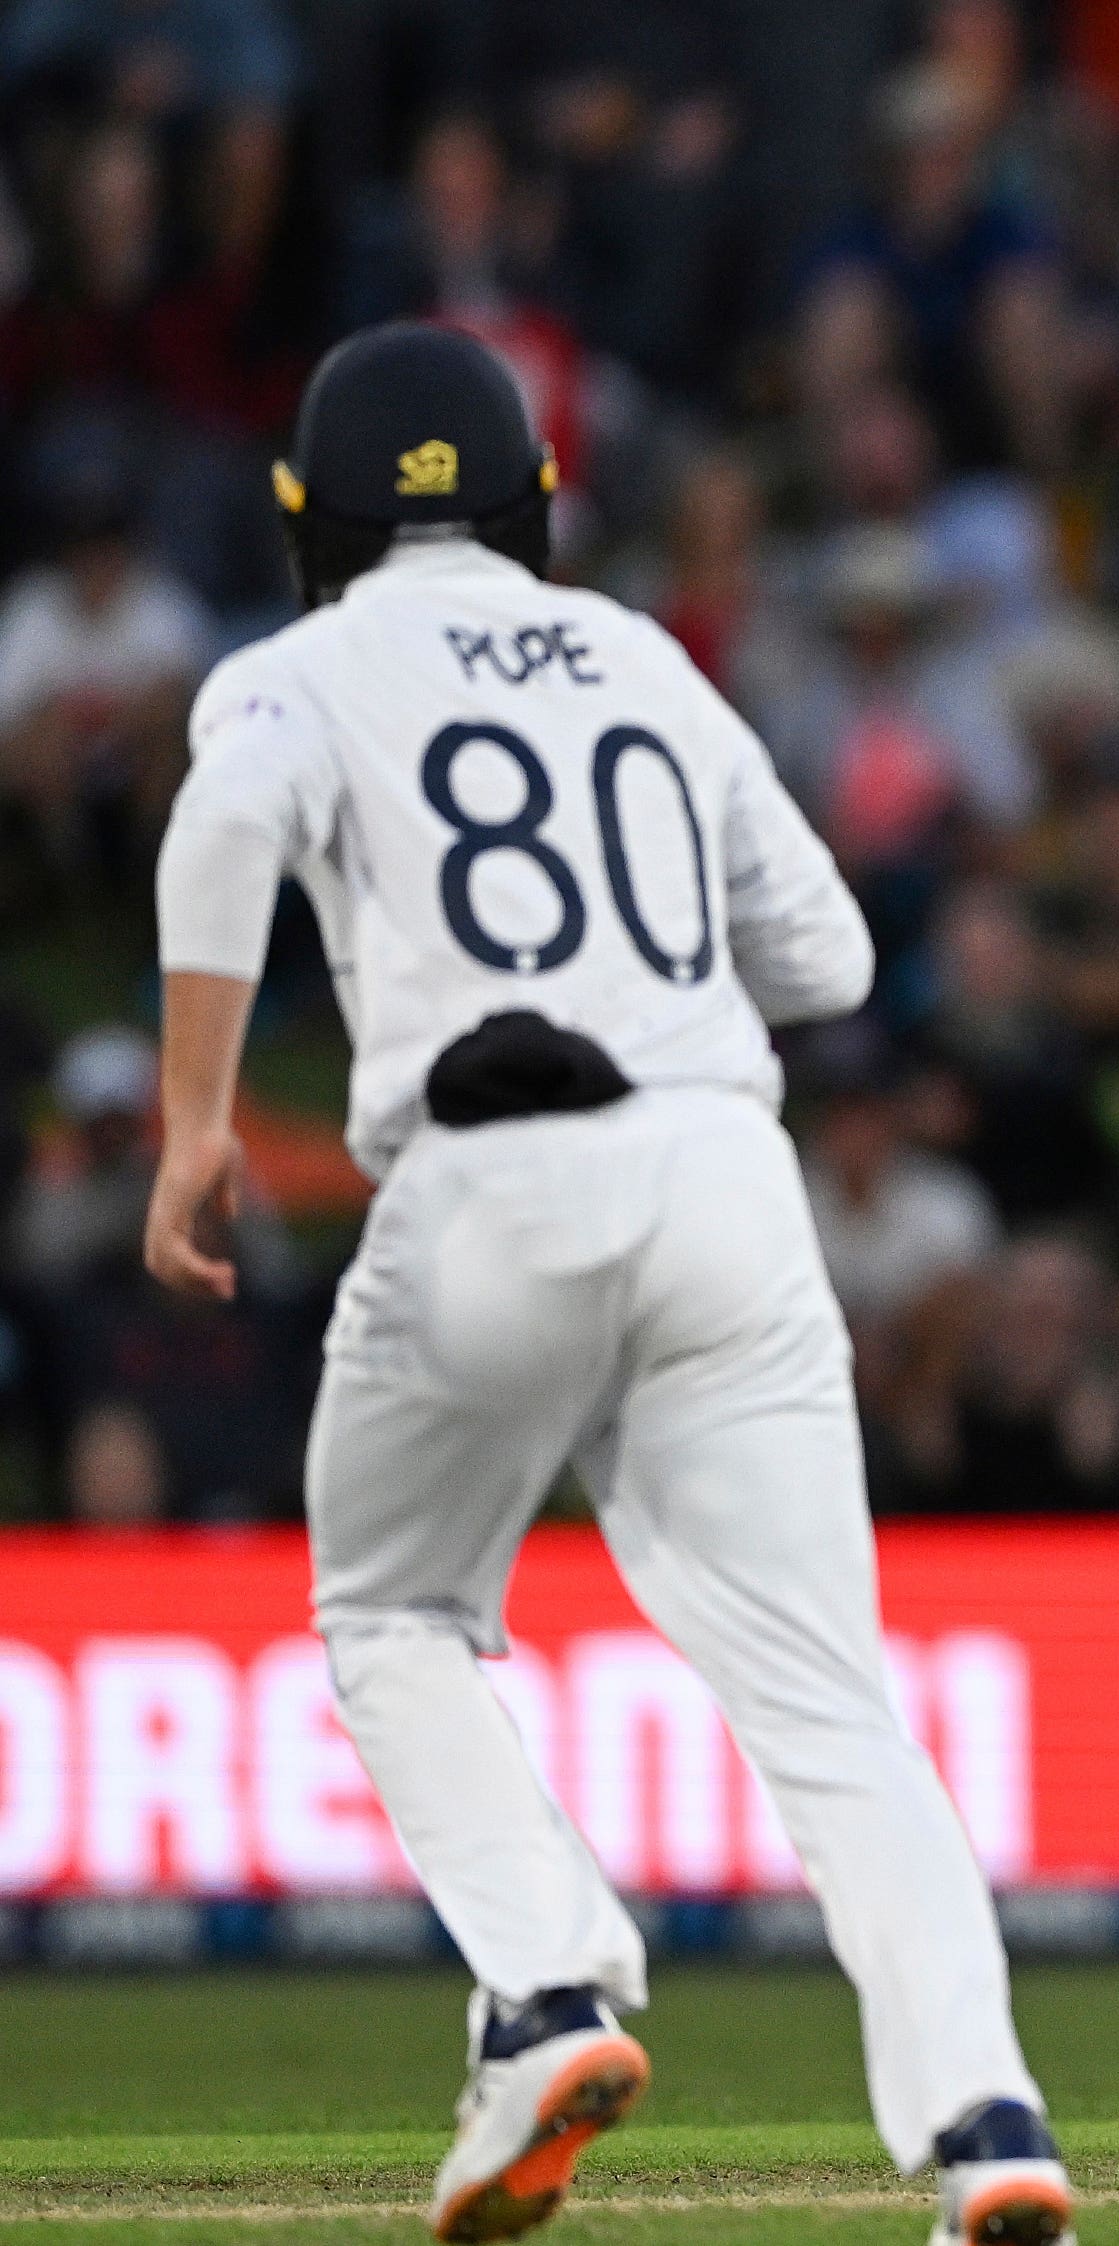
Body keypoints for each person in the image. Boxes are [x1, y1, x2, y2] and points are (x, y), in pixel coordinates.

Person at [137, 325, 1070, 2246]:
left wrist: (195, 1121)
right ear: (531, 497)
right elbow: (827, 954)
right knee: (830, 1699)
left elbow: (224, 826)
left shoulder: (296, 669)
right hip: (724, 1173)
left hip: (485, 1175)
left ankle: (548, 1988)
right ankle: (988, 2123)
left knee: (393, 1606)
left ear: (308, 515)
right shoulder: (645, 656)